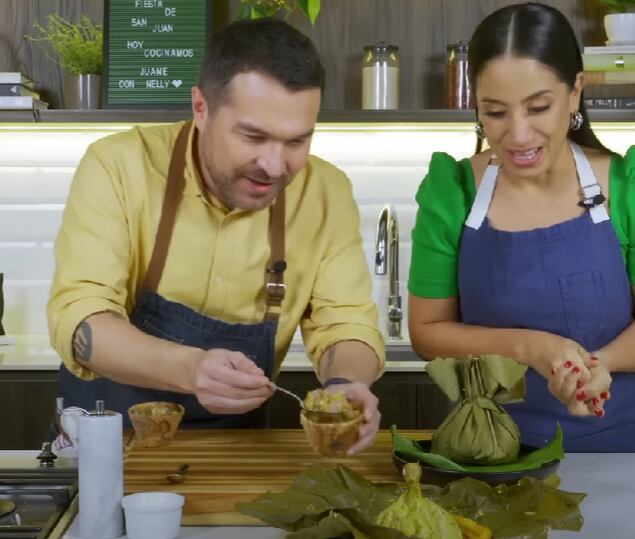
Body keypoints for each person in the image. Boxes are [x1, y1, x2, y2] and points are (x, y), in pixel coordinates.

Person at [47, 18, 384, 455]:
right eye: (253, 136)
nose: (275, 165)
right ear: (201, 108)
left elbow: (345, 322)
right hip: (104, 439)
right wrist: (190, 368)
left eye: (297, 141)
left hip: (235, 450)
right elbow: (82, 317)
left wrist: (345, 385)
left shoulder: (326, 193)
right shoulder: (118, 165)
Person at [408, 2, 635, 452]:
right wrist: (532, 348)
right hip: (486, 454)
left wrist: (597, 366)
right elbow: (427, 331)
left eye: (538, 107)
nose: (518, 135)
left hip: (616, 450)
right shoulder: (452, 192)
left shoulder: (634, 187)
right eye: (495, 112)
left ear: (575, 92)